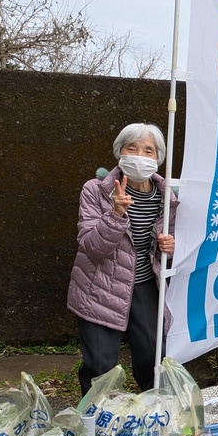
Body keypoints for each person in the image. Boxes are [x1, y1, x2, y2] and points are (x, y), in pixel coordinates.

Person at [67, 123, 178, 395]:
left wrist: (170, 246)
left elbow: (174, 242)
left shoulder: (167, 197)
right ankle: (97, 416)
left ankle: (154, 410)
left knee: (153, 356)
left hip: (145, 284)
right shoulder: (96, 190)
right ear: (120, 152)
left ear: (158, 158)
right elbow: (92, 247)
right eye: (132, 148)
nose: (139, 156)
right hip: (99, 285)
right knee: (100, 365)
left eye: (148, 150)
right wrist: (116, 214)